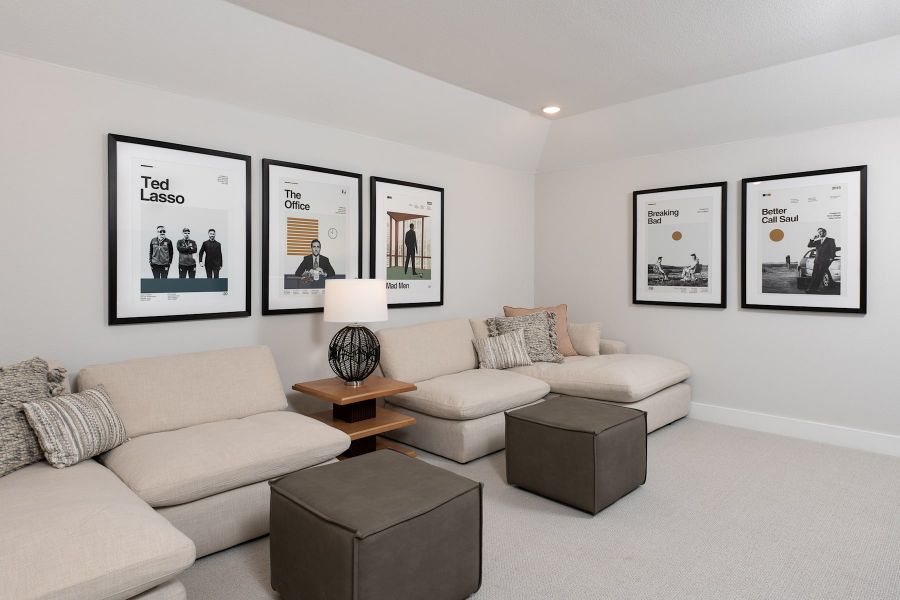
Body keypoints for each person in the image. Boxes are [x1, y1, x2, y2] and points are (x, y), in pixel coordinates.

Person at [805, 227, 837, 293]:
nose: (819, 233)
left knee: (819, 275)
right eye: (818, 232)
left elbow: (833, 250)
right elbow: (809, 245)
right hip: (817, 261)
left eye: (821, 231)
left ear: (825, 232)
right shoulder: (817, 241)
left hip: (825, 261)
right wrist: (812, 239)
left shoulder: (830, 240)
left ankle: (812, 289)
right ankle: (811, 289)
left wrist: (831, 259)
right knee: (814, 275)